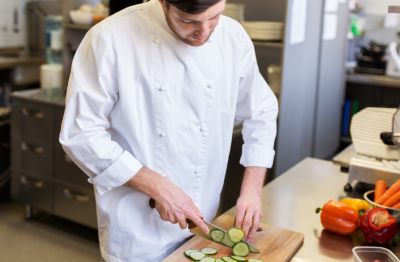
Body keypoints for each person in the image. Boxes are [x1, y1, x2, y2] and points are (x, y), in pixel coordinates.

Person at [59, 0, 278, 261]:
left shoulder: (233, 36)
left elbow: (260, 110)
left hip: (204, 224)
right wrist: (158, 187)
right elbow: (80, 134)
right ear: (164, 3)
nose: (205, 31)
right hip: (137, 232)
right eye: (189, 21)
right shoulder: (109, 37)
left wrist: (252, 191)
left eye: (215, 17)